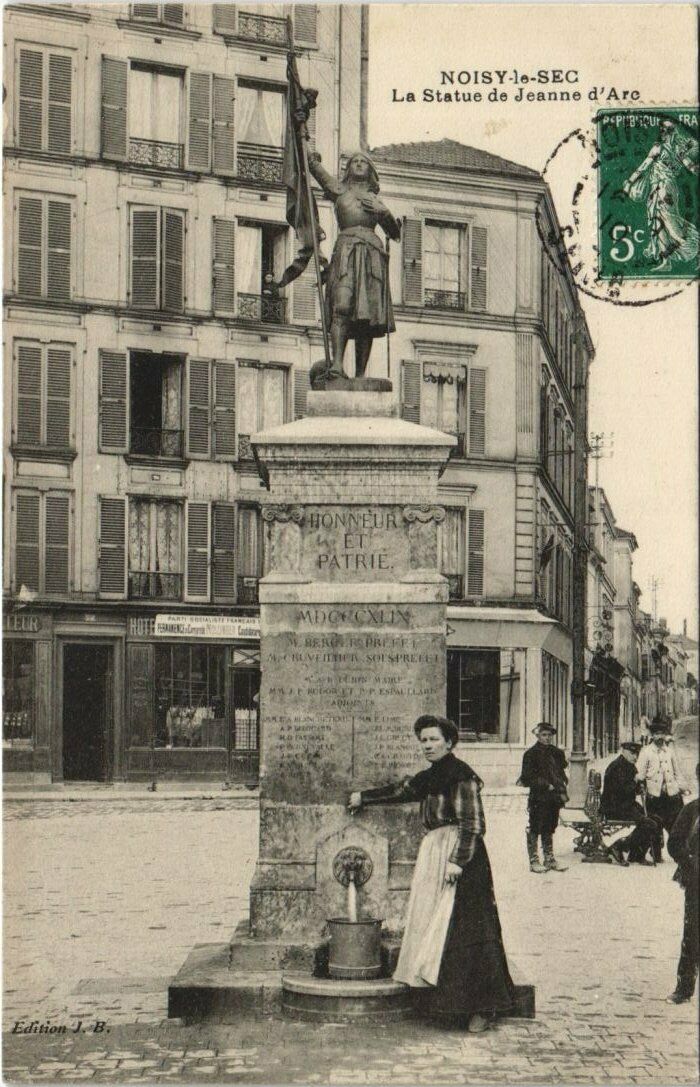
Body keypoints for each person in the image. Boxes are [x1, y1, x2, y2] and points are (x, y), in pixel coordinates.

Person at [348, 715, 514, 1033]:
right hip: (436, 852)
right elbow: (402, 790)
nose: (427, 745)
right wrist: (363, 797)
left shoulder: (461, 776)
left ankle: (483, 1007)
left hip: (461, 858)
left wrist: (458, 861)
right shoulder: (432, 775)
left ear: (449, 742)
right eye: (423, 740)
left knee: (466, 929)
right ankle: (449, 1004)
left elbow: (473, 824)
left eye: (434, 739)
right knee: (436, 927)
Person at [307, 150, 401, 379]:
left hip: (371, 256)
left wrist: (384, 213)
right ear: (348, 168)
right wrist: (306, 147)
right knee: (341, 305)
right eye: (354, 162)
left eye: (363, 162)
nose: (358, 164)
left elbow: (395, 233)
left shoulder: (376, 201)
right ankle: (337, 364)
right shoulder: (339, 190)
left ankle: (360, 375)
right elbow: (316, 170)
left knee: (367, 315)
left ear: (370, 170)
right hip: (346, 252)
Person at [622, 117, 699, 271]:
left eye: (667, 130)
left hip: (664, 189)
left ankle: (696, 248)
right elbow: (692, 168)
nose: (663, 132)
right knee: (657, 223)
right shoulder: (671, 150)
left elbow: (643, 167)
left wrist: (629, 183)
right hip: (657, 188)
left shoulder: (665, 149)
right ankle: (666, 261)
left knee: (671, 224)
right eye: (662, 129)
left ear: (672, 132)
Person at [666, 763, 699, 1003]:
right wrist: (689, 862)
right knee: (692, 934)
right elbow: (674, 842)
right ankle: (684, 988)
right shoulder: (692, 810)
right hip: (696, 881)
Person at [519, 722, 569, 873]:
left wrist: (562, 782)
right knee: (535, 826)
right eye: (544, 735)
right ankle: (534, 861)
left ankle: (549, 859)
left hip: (554, 797)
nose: (547, 738)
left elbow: (561, 770)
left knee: (550, 826)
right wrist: (546, 785)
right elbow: (526, 778)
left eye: (549, 735)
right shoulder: (530, 754)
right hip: (539, 797)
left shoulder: (556, 753)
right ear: (537, 735)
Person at [635, 720, 688, 862]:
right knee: (656, 826)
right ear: (652, 735)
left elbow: (677, 772)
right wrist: (640, 783)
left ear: (665, 735)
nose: (660, 737)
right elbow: (640, 773)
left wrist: (682, 787)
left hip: (671, 794)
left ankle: (679, 852)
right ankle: (656, 853)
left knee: (677, 825)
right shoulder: (646, 751)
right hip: (654, 795)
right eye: (657, 734)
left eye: (662, 734)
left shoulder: (669, 751)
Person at [601, 741, 659, 866]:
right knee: (649, 824)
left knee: (656, 819)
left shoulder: (630, 766)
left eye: (637, 754)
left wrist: (641, 785)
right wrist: (635, 781)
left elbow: (635, 789)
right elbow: (622, 791)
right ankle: (619, 846)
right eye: (632, 753)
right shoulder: (616, 767)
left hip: (627, 805)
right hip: (615, 807)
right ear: (624, 751)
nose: (635, 757)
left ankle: (636, 855)